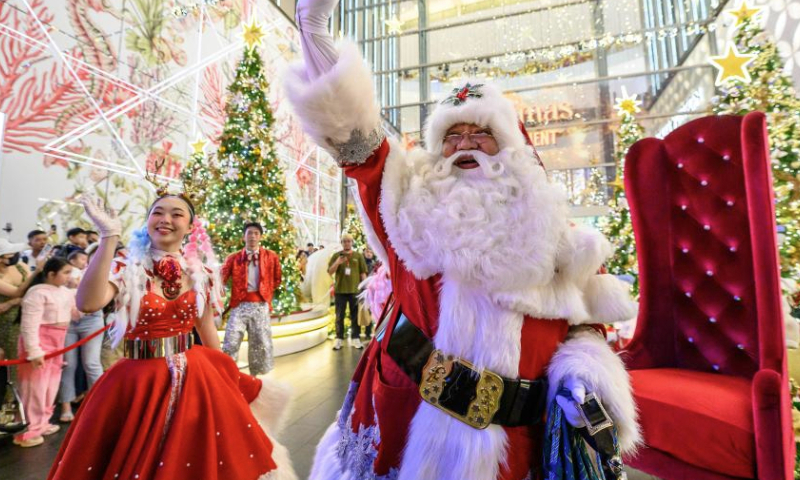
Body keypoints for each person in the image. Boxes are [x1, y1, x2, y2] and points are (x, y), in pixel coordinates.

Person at [286, 1, 641, 478]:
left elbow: (583, 326)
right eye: (453, 135)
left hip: (516, 443)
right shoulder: (405, 205)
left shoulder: (560, 234)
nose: (466, 144)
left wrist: (584, 373)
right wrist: (313, 28)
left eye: (482, 133)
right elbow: (353, 131)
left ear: (512, 148)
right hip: (407, 423)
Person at [47, 194, 296, 480]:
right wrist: (108, 237)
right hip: (138, 383)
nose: (165, 219)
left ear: (191, 227)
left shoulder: (200, 272)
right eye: (157, 212)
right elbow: (88, 303)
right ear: (148, 220)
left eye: (177, 214)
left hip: (196, 377)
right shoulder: (128, 266)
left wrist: (227, 378)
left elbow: (206, 330)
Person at [14, 257, 78, 448]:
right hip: (39, 341)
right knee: (35, 387)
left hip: (58, 341)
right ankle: (29, 429)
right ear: (51, 274)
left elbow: (76, 313)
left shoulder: (66, 292)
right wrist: (34, 350)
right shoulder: (36, 293)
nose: (69, 277)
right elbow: (29, 325)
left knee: (51, 385)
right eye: (66, 273)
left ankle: (43, 422)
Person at [221, 222, 282, 376]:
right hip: (239, 305)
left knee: (261, 345)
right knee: (231, 341)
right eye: (249, 233)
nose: (253, 236)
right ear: (244, 236)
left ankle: (260, 380)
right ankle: (227, 376)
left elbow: (277, 279)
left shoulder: (271, 256)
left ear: (260, 237)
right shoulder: (234, 258)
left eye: (256, 233)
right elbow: (220, 279)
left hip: (260, 305)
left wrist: (265, 293)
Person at [58, 245, 104, 423]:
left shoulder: (102, 273)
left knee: (91, 363)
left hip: (92, 320)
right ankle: (66, 406)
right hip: (67, 320)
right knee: (68, 364)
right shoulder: (68, 273)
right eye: (85, 258)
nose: (87, 261)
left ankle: (100, 404)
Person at [0, 238, 43, 394]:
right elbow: (17, 292)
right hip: (7, 323)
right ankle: (10, 399)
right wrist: (37, 272)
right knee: (12, 360)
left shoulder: (20, 267)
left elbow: (33, 285)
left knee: (23, 359)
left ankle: (22, 396)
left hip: (27, 317)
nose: (13, 256)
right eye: (8, 254)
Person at [327, 234, 369, 350]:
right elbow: (330, 272)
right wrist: (337, 263)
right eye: (344, 241)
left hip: (355, 291)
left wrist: (365, 289)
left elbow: (363, 273)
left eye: (349, 241)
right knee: (339, 315)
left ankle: (356, 338)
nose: (347, 243)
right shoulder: (336, 255)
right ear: (342, 242)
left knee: (355, 316)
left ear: (352, 242)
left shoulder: (358, 256)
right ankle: (339, 338)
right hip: (340, 290)